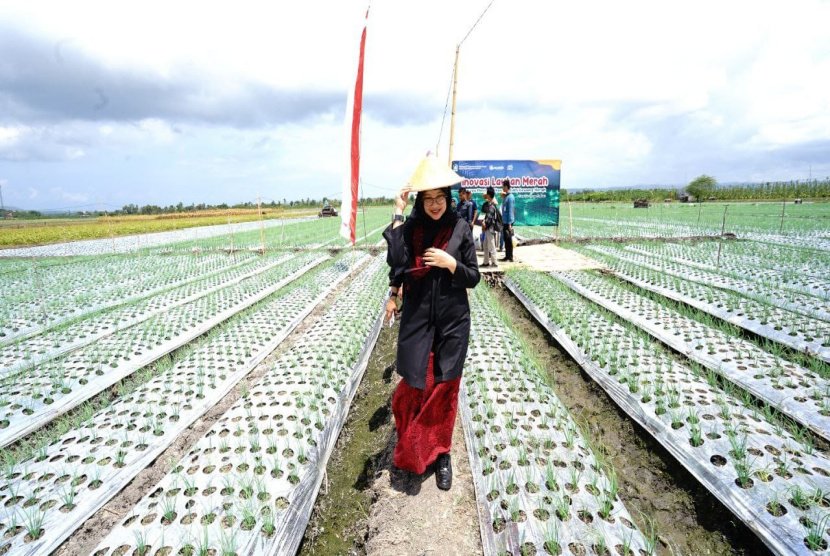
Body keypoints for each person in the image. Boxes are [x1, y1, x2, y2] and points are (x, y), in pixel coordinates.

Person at [383, 154, 481, 491]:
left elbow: (473, 277)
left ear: (448, 199)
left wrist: (451, 262)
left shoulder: (460, 228)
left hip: (453, 323)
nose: (436, 205)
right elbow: (396, 264)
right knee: (416, 384)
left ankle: (442, 454)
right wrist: (398, 210)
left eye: (440, 199)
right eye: (429, 200)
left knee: (445, 389)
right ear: (421, 201)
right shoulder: (411, 230)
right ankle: (413, 445)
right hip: (418, 320)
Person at [480, 186, 500, 267]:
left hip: (490, 228)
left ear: (489, 195)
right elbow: (485, 213)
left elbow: (490, 218)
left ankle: (495, 262)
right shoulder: (489, 204)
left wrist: (485, 225)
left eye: (486, 193)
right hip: (487, 228)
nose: (485, 195)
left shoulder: (492, 205)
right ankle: (486, 262)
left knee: (491, 246)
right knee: (485, 245)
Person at [500, 179, 515, 262]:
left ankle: (510, 257)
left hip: (508, 222)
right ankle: (507, 256)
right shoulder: (506, 197)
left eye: (503, 186)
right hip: (504, 222)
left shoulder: (510, 197)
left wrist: (509, 224)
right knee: (506, 239)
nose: (502, 188)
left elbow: (510, 211)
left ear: (506, 187)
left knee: (509, 239)